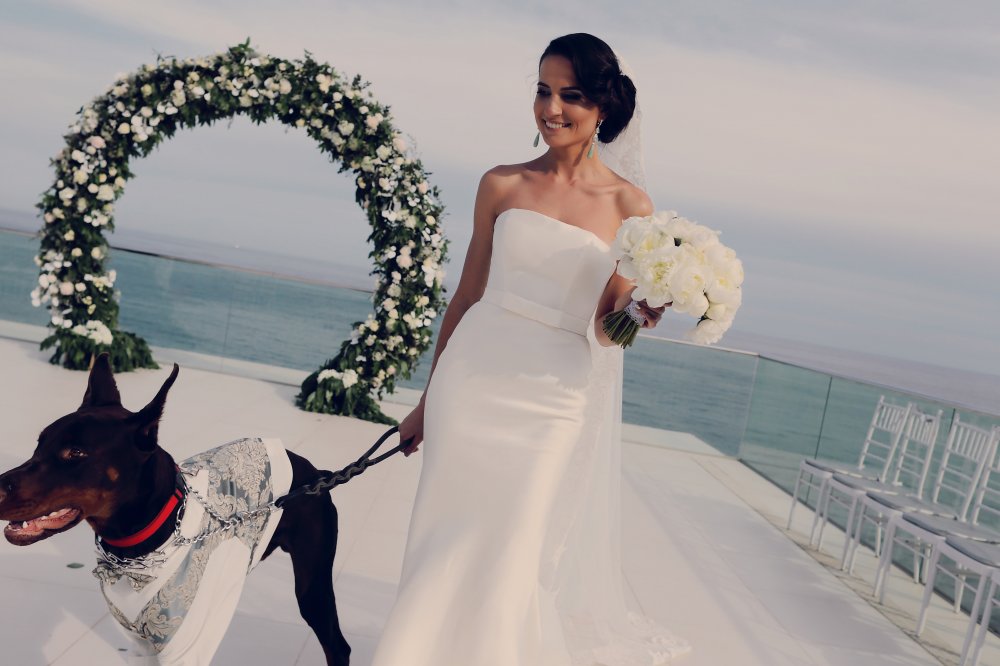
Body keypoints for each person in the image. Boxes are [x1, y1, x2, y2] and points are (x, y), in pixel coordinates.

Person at [370, 33, 691, 665]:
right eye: (543, 91)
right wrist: (427, 403)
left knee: (513, 545)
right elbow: (466, 298)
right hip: (472, 381)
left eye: (570, 95)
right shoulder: (501, 184)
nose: (551, 108)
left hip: (554, 396)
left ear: (603, 106)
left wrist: (639, 314)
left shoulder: (631, 206)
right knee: (443, 535)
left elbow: (607, 329)